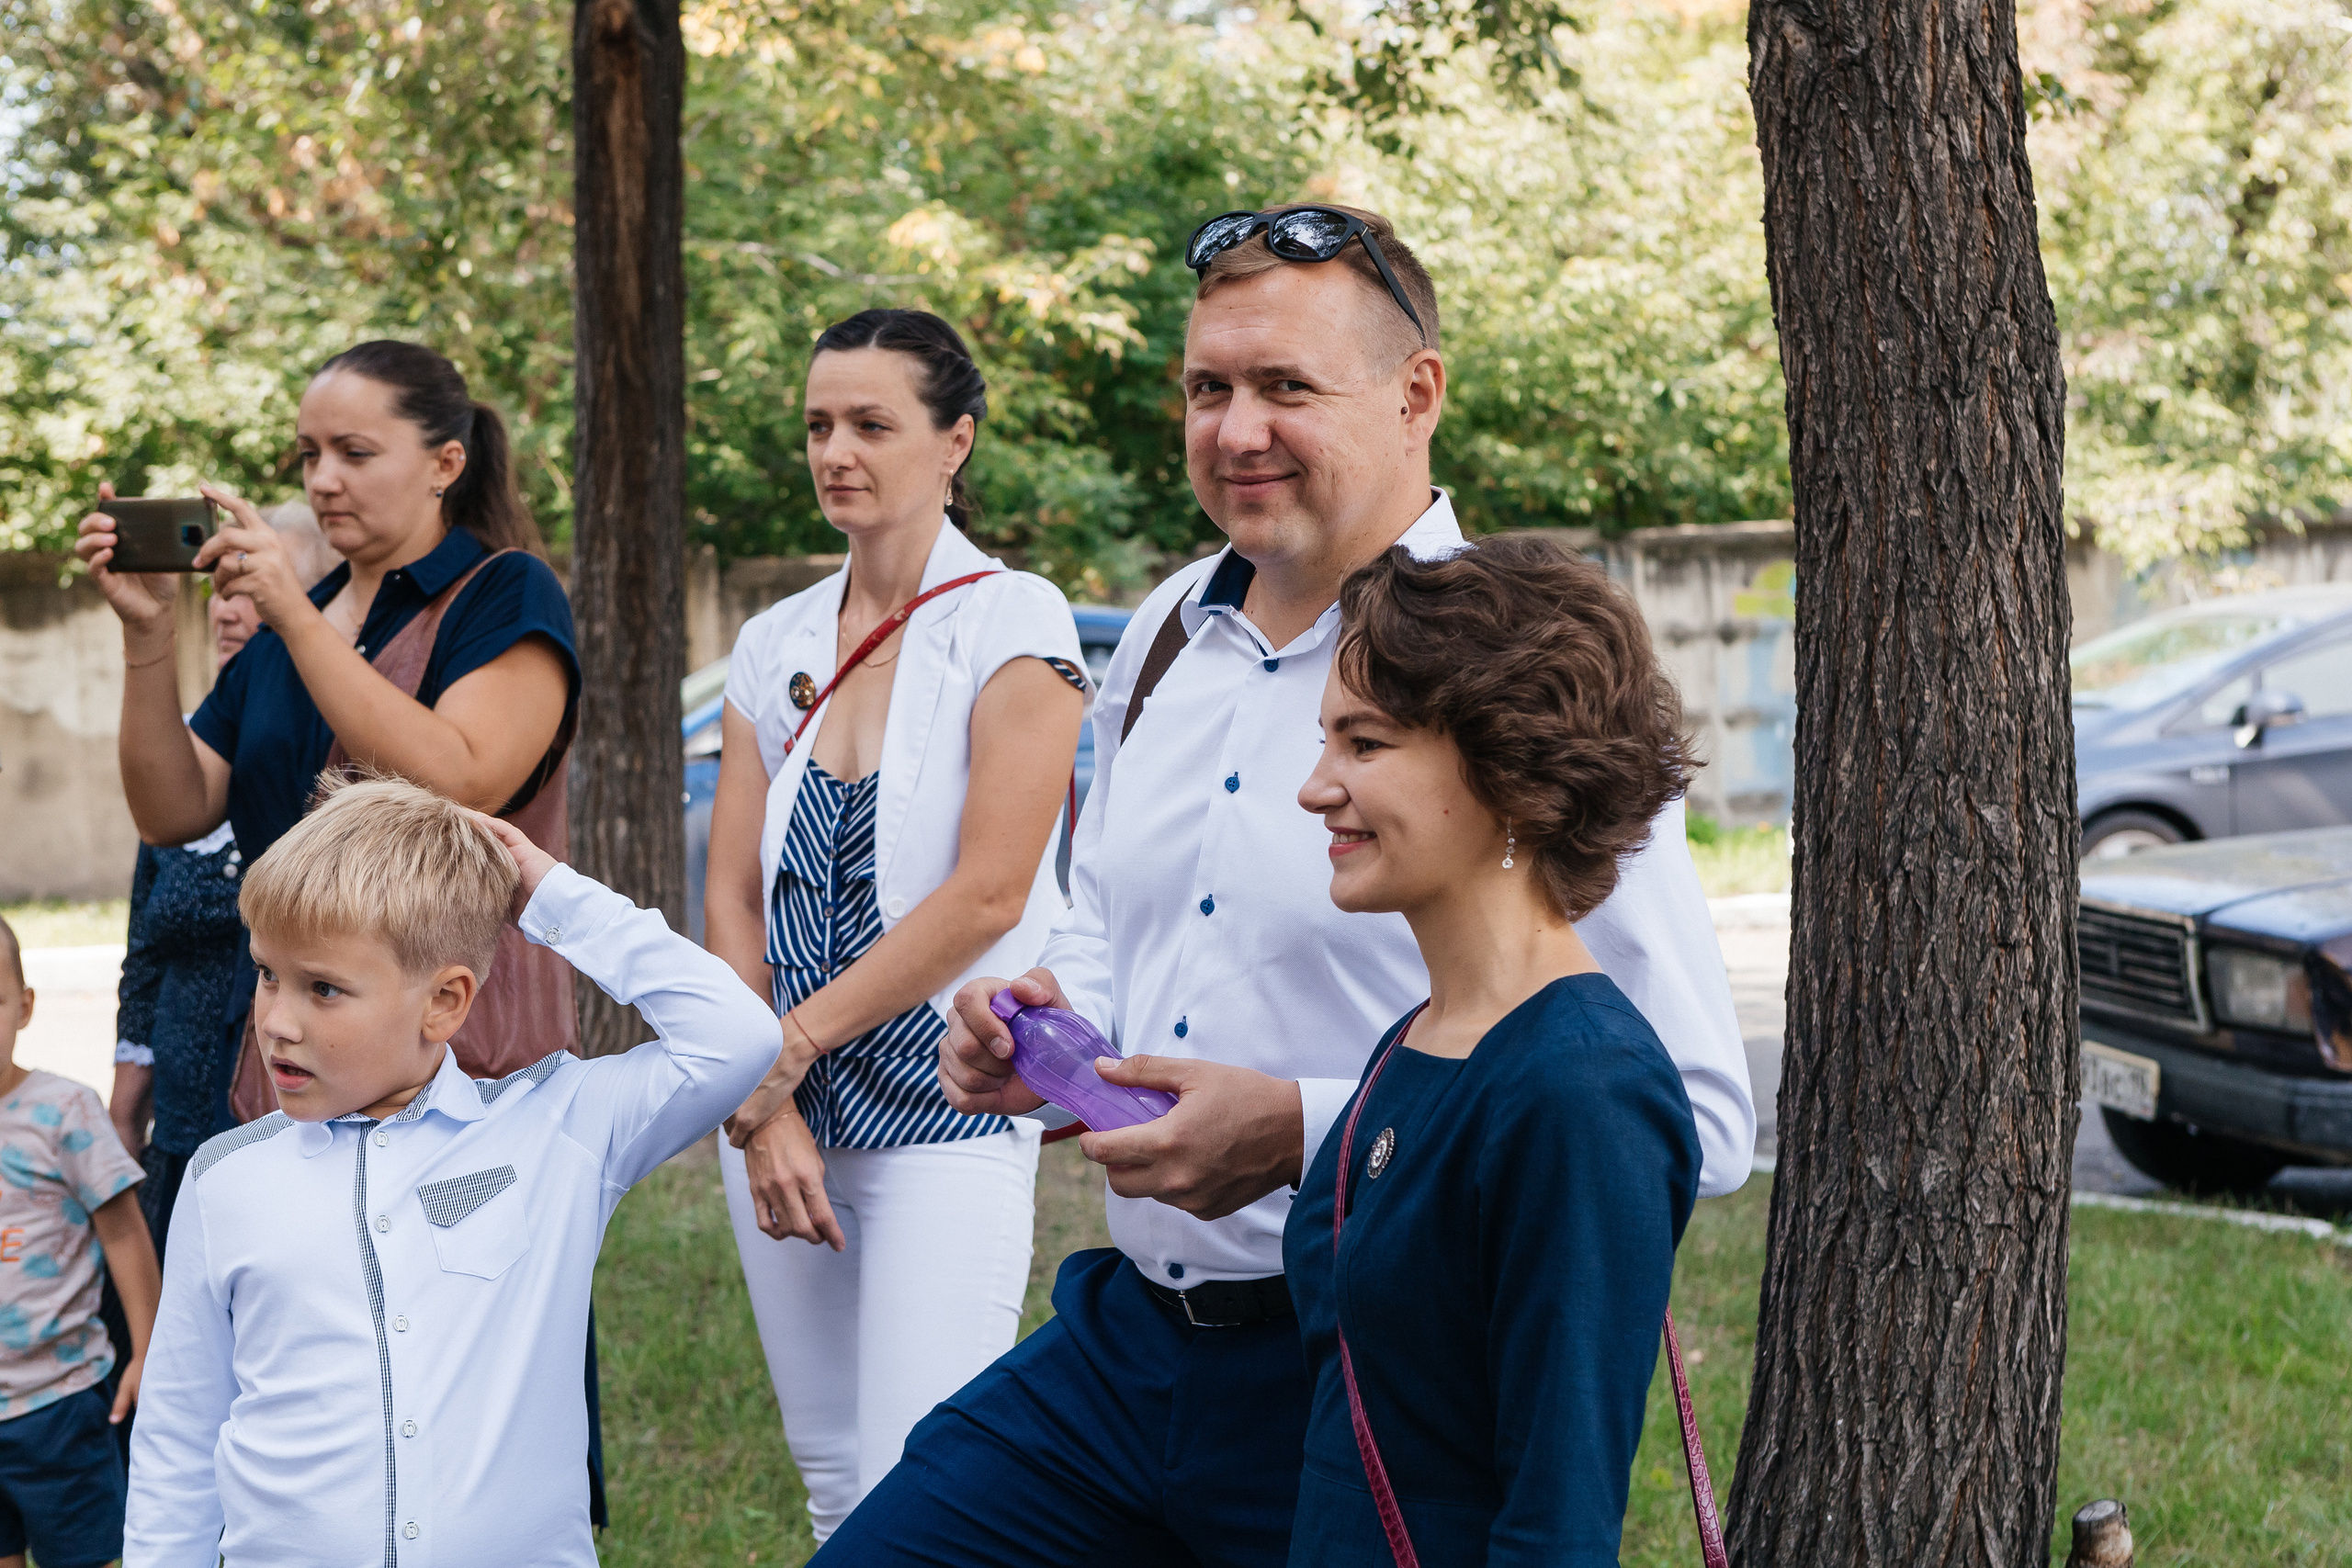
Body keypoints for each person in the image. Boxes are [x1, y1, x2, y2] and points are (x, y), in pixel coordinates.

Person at [820, 204, 1754, 1563]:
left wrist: (1306, 1131)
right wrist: (1056, 1026)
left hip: (1354, 1377)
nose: (1235, 429)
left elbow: (1690, 1113)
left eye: (1284, 387)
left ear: (1416, 393)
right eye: (1207, 388)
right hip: (1123, 1347)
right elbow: (1107, 914)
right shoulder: (1161, 630)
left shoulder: (1513, 666)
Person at [124, 775, 781, 1566]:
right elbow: (180, 1438)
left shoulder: (556, 1130)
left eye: (323, 988)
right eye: (268, 973)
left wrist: (550, 895)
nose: (277, 1021)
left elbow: (736, 1037)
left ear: (444, 1002)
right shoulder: (224, 1177)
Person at [704, 309, 1086, 1540]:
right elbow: (733, 898)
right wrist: (767, 1100)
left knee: (925, 1486)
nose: (836, 451)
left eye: (872, 423)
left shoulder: (1015, 617)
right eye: (819, 424)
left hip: (941, 1104)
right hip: (783, 1112)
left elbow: (989, 891)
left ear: (953, 441)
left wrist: (787, 1048)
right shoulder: (772, 641)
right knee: (831, 1482)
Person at [1283, 537, 1701, 1566]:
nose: (1315, 787)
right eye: (1326, 742)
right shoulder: (1418, 1037)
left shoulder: (1581, 1089)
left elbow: (1559, 1521)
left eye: (1364, 745)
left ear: (1507, 766)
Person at [73, 340, 582, 1097]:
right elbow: (170, 810)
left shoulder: (503, 590)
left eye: (355, 453)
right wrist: (148, 636)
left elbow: (464, 779)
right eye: (310, 454)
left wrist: (295, 618)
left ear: (445, 463)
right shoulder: (291, 625)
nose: (324, 479)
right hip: (292, 1060)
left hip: (460, 1062)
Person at [109, 502, 343, 1246]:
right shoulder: (193, 742)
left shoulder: (340, 737)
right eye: (220, 591)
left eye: (256, 587)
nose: (228, 610)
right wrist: (127, 1098)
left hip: (286, 1090)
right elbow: (145, 946)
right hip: (188, 1116)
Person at [0, 916, 162, 1568]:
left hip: (59, 1401)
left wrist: (147, 1354)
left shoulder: (64, 1110)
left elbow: (123, 1231)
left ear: (24, 1006)